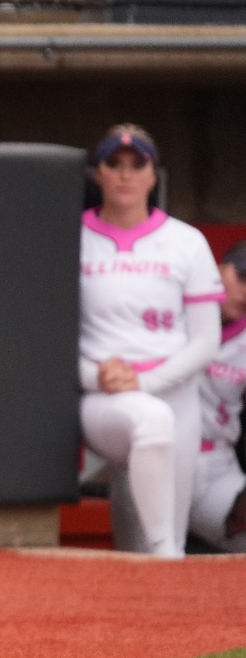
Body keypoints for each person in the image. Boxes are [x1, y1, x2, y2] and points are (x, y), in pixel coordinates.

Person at [78, 125, 222, 559]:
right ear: (97, 173)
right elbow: (48, 334)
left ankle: (148, 613)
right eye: (114, 164)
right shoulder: (71, 238)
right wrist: (95, 375)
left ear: (153, 175)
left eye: (137, 165)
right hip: (102, 394)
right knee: (162, 548)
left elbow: (206, 341)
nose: (125, 175)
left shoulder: (186, 241)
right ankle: (165, 556)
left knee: (152, 538)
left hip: (173, 393)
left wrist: (145, 382)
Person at [188, 241, 246, 553]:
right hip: (155, 460)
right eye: (243, 278)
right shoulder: (169, 314)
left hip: (215, 468)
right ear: (220, 268)